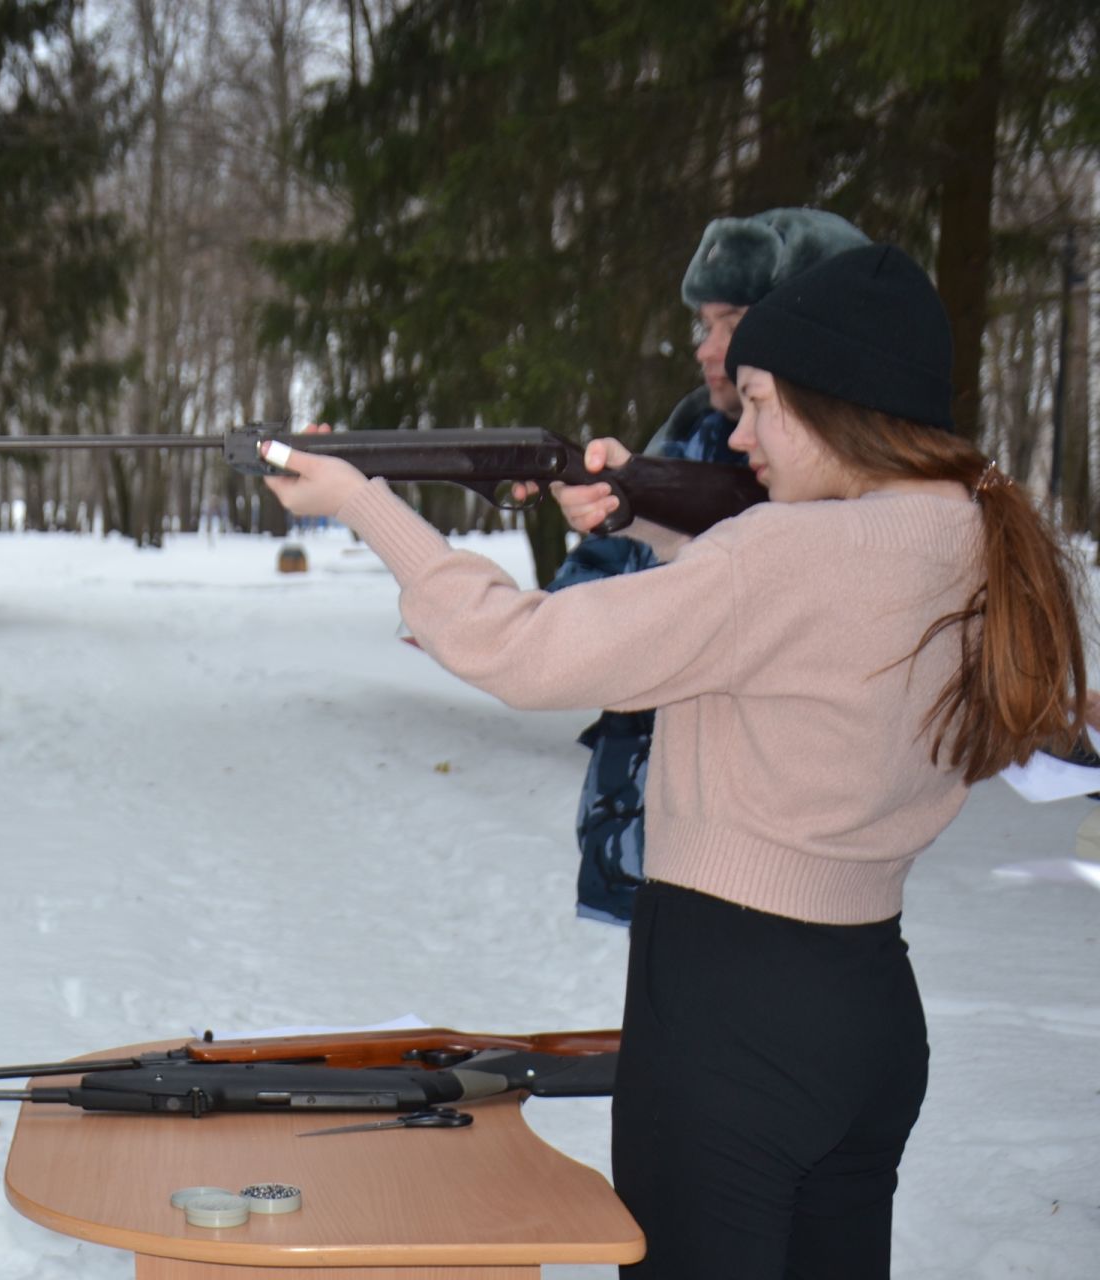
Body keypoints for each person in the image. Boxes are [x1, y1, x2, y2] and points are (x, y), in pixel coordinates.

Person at [260, 243, 1089, 1278]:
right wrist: (643, 508)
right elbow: (784, 635)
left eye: (757, 403)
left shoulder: (787, 553)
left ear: (833, 406)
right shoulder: (978, 539)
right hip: (870, 1011)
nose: (739, 436)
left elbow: (523, 647)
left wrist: (363, 502)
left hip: (728, 1015)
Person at [544, 208, 870, 925]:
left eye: (733, 322)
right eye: (704, 324)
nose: (707, 347)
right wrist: (609, 517)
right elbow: (588, 592)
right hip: (649, 830)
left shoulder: (864, 487)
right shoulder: (695, 427)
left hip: (762, 869)